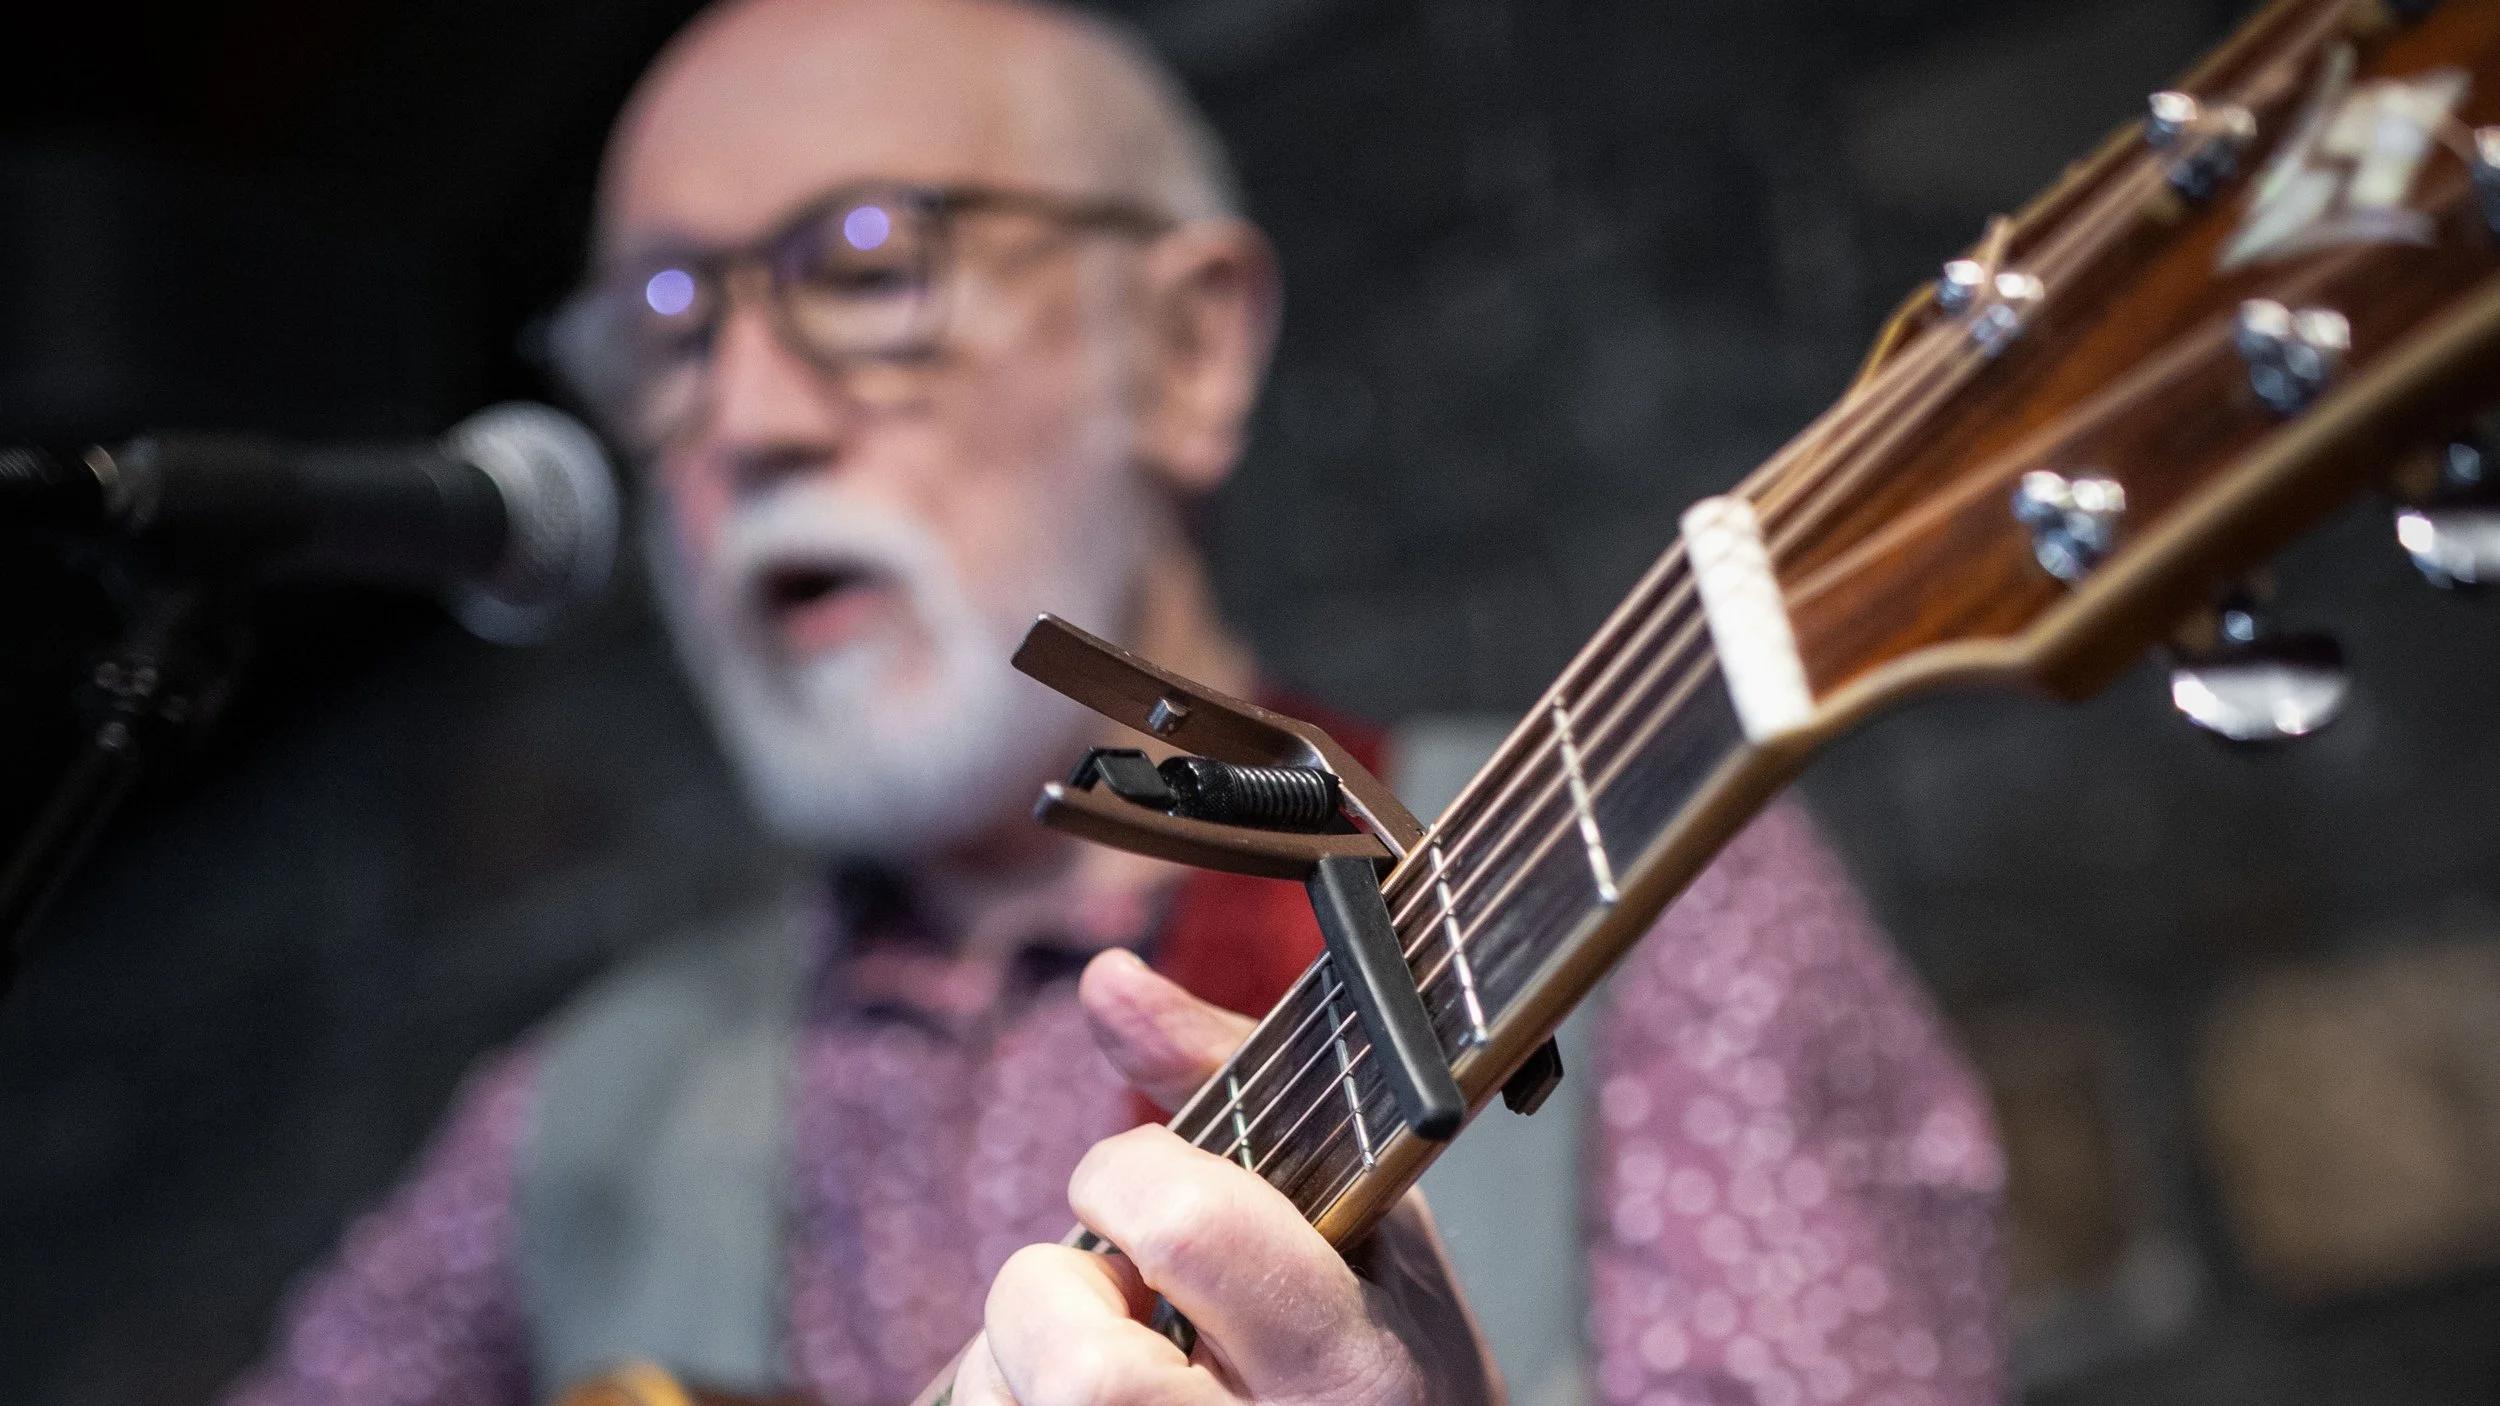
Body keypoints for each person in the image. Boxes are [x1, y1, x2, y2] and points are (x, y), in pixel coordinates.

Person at [226, 2, 2007, 1404]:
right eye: (667, 326)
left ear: (1189, 348)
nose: (747, 418)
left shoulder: (1652, 878)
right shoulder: (563, 1127)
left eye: (865, 265)